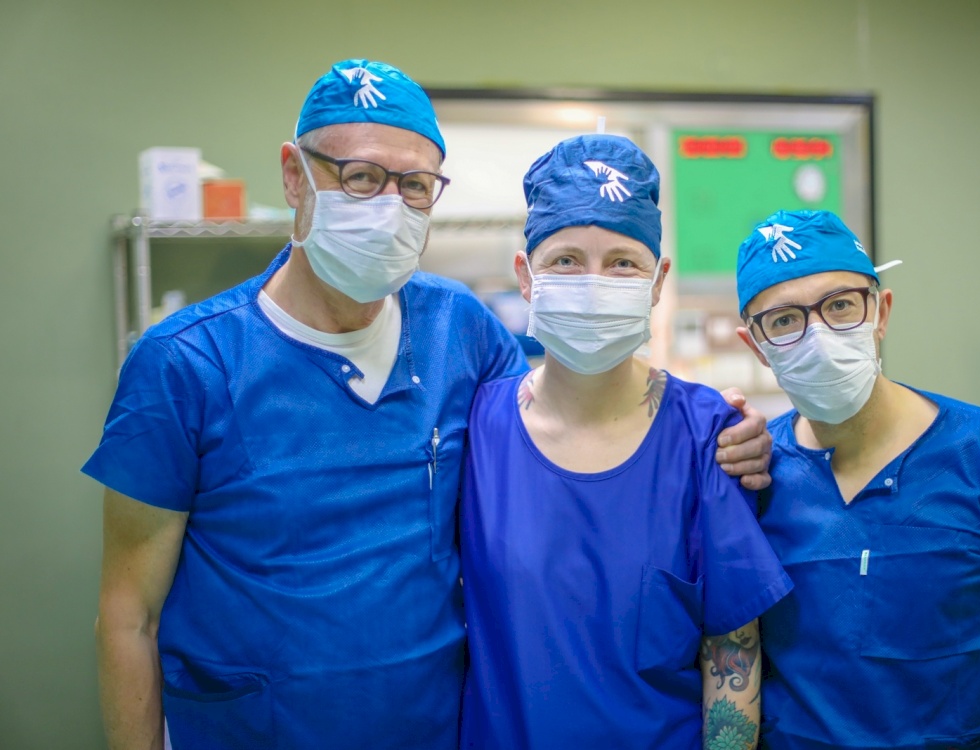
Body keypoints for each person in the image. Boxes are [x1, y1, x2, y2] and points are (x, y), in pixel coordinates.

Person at [82, 59, 774, 750]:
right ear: (294, 175)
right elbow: (128, 617)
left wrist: (715, 425)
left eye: (414, 185)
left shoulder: (457, 329)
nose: (388, 205)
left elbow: (574, 404)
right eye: (360, 177)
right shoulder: (185, 363)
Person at [459, 134, 794, 750]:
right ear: (525, 277)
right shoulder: (477, 429)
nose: (593, 283)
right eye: (565, 260)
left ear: (658, 280)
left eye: (622, 263)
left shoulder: (706, 435)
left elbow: (733, 653)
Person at [733, 209, 980, 750]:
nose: (819, 335)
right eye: (783, 320)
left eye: (840, 305)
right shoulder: (753, 477)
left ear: (880, 312)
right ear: (756, 346)